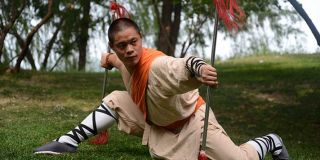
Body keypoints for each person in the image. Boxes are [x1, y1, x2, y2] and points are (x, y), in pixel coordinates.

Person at [34, 18, 290, 160]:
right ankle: (68, 141)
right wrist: (107, 59)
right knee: (116, 100)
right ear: (115, 47)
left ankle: (271, 141)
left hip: (193, 124)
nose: (129, 50)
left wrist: (200, 68)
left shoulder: (156, 66)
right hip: (157, 122)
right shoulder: (122, 60)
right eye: (121, 46)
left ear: (141, 39)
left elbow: (183, 64)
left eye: (133, 42)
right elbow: (112, 59)